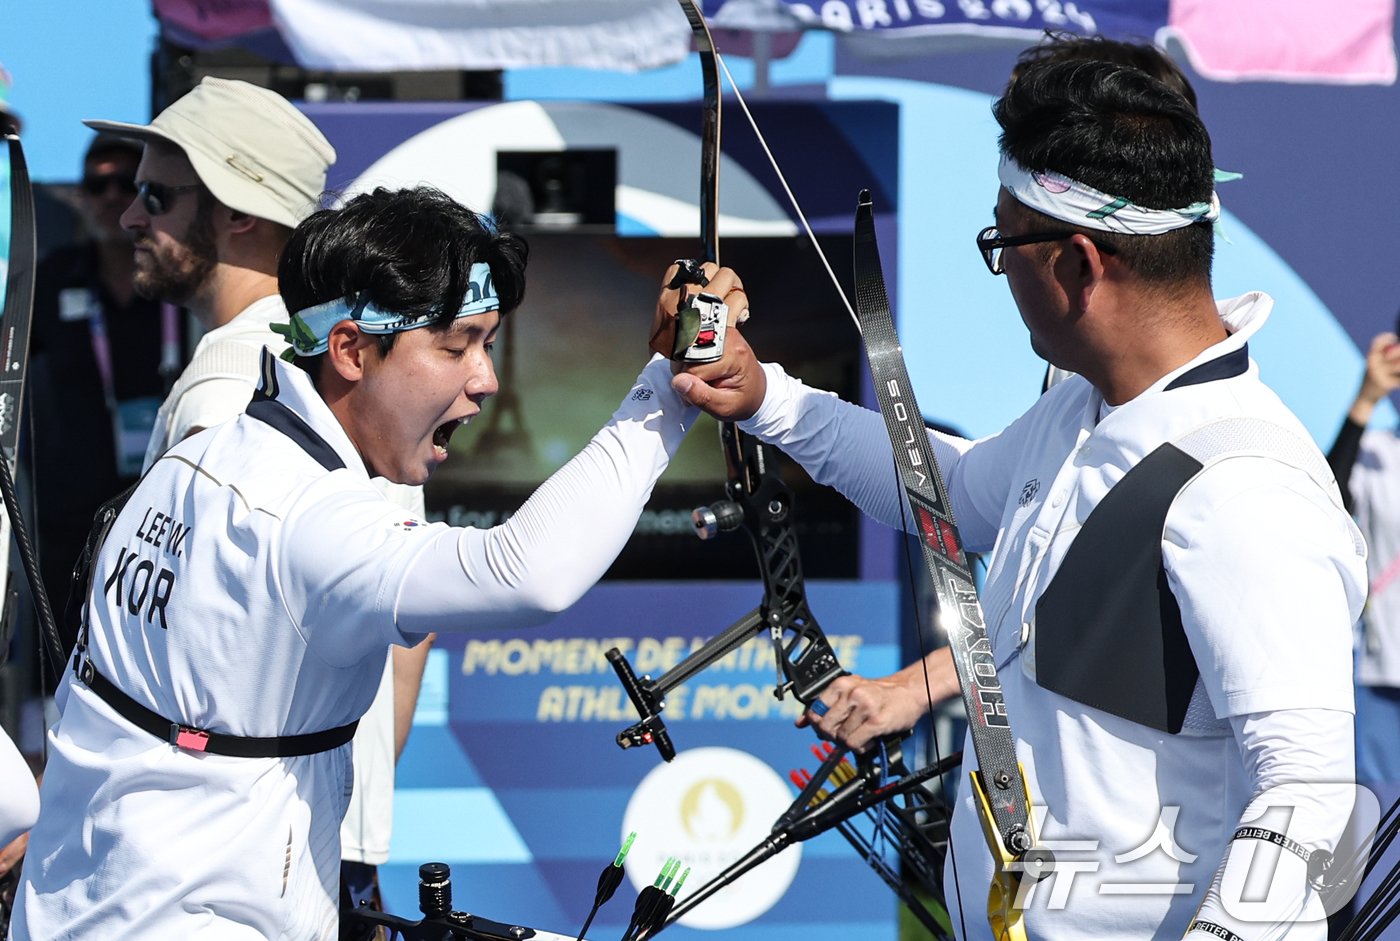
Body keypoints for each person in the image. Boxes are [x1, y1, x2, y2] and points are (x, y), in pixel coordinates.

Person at [669, 58, 1365, 940]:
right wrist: (764, 395)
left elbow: (1305, 793)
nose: (998, 276)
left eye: (1002, 246)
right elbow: (948, 493)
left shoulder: (1241, 488)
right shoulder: (1087, 408)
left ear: (1078, 262)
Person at [10, 184, 745, 939]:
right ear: (351, 348)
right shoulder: (309, 516)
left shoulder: (193, 462)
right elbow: (528, 571)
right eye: (458, 345)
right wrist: (668, 388)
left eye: (488, 344)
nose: (486, 378)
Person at [79, 79, 433, 936]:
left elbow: (172, 670)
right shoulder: (340, 366)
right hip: (306, 846)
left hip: (230, 861)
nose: (129, 216)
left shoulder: (241, 385)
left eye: (155, 195)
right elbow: (410, 623)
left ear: (238, 213)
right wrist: (345, 790)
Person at [29, 133, 173, 635]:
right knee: (69, 651)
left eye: (124, 184)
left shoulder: (177, 277)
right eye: (97, 185)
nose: (111, 197)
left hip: (165, 512)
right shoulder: (52, 277)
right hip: (72, 513)